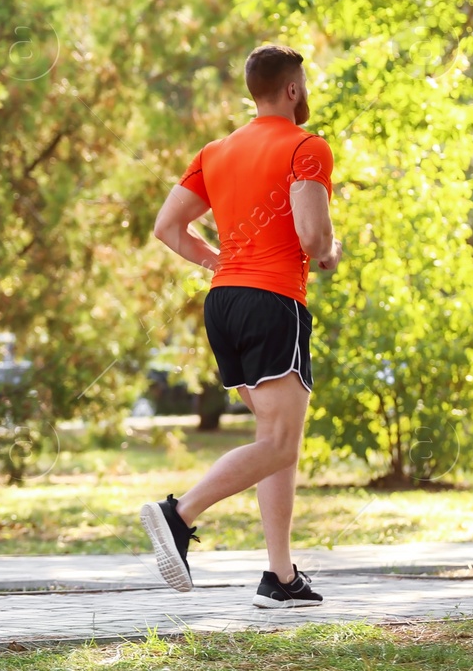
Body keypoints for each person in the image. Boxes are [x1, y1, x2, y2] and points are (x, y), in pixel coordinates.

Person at [143, 44, 342, 609]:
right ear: (293, 89)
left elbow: (167, 228)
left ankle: (280, 577)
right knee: (280, 441)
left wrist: (221, 263)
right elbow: (312, 238)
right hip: (272, 302)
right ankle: (177, 516)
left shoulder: (215, 151)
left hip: (224, 303)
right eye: (304, 82)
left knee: (277, 440)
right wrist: (330, 250)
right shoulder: (309, 147)